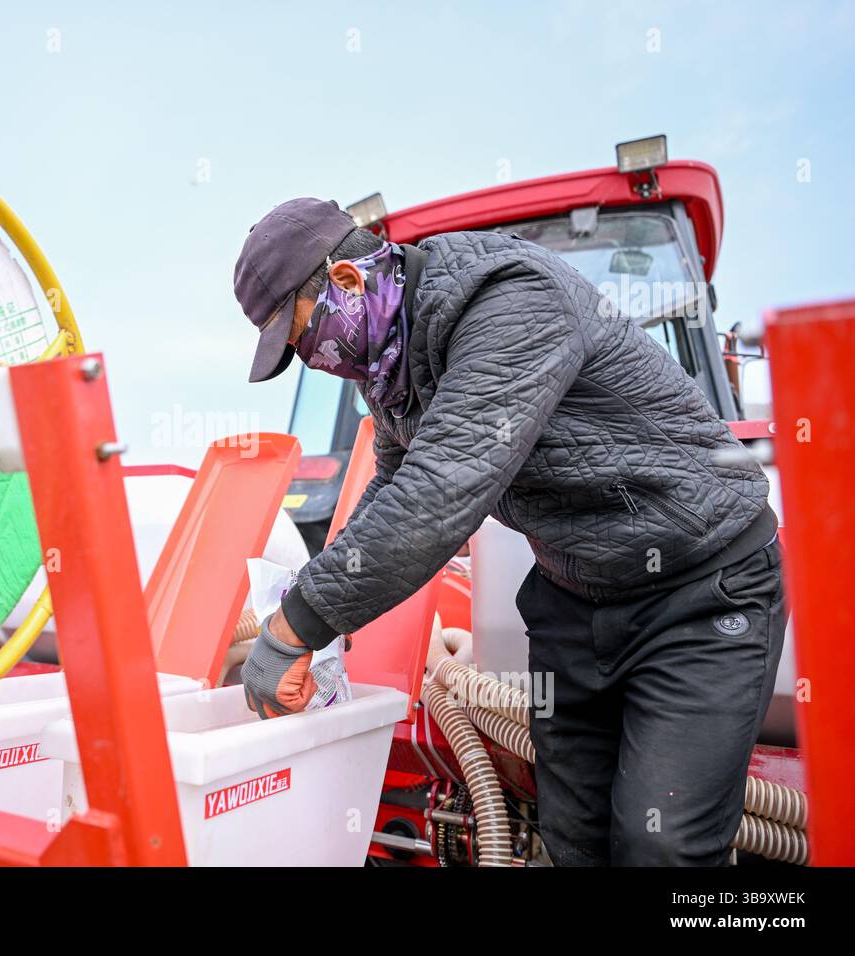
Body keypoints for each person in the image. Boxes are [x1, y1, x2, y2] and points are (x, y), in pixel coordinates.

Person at [231, 197, 785, 866]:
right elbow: (394, 485)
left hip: (700, 594)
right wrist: (326, 625)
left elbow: (440, 492)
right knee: (573, 836)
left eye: (305, 342)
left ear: (348, 282)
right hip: (575, 601)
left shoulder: (509, 300)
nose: (315, 362)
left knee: (660, 845)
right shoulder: (392, 366)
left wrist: (297, 625)